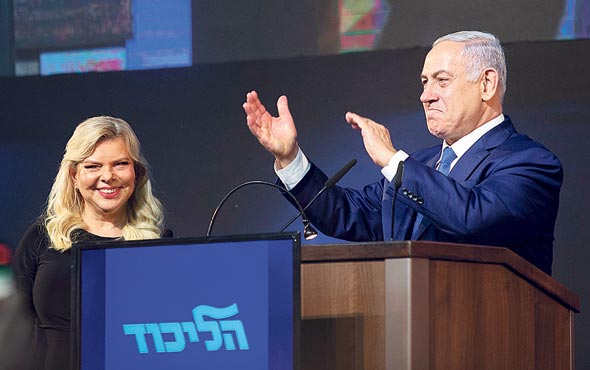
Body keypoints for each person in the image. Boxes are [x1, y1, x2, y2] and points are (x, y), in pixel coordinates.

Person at [243, 30, 563, 275]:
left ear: (487, 84)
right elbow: (345, 214)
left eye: (441, 81)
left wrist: (394, 161)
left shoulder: (531, 163)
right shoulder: (421, 164)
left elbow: (473, 218)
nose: (426, 96)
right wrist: (289, 157)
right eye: (424, 82)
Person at [12, 116, 171, 370]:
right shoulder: (44, 237)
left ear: (136, 172)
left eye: (120, 164)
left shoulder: (157, 244)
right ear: (74, 175)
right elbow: (13, 325)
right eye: (93, 166)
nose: (108, 176)